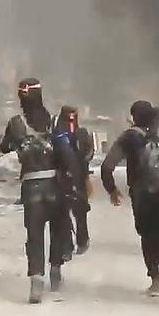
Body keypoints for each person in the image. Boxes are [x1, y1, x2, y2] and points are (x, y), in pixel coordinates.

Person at [0, 78, 80, 304]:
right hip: (55, 185)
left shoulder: (15, 123)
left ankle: (36, 279)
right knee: (58, 228)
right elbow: (68, 154)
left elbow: (4, 147)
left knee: (34, 235)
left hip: (31, 188)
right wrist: (75, 182)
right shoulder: (55, 123)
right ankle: (55, 268)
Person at [101, 100, 159, 297]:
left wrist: (113, 190)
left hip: (143, 196)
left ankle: (156, 277)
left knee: (149, 235)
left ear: (134, 117)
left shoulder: (130, 137)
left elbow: (107, 166)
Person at [52, 106, 93, 256]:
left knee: (72, 210)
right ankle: (74, 242)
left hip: (69, 175)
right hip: (70, 175)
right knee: (70, 210)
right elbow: (89, 153)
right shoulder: (71, 133)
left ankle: (76, 242)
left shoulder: (60, 133)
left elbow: (89, 152)